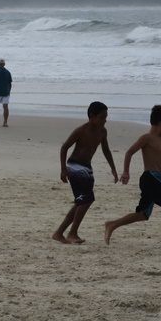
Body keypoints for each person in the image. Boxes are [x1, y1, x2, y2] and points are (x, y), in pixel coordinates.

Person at [104, 104, 161, 251]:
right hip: (150, 178)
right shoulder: (147, 138)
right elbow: (129, 152)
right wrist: (126, 172)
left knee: (143, 214)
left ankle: (112, 224)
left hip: (155, 178)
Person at [52, 101, 118, 244]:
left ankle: (59, 233)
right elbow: (64, 148)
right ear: (92, 116)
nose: (105, 120)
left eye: (106, 116)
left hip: (87, 168)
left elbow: (106, 149)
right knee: (87, 199)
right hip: (75, 166)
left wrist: (113, 168)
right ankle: (72, 233)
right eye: (102, 117)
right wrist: (63, 169)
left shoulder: (102, 131)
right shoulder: (81, 130)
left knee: (81, 202)